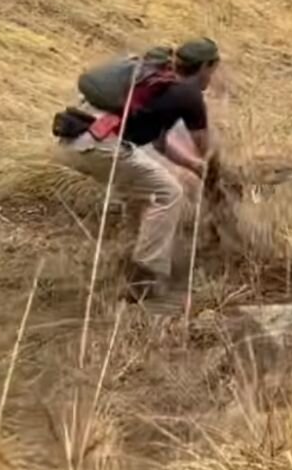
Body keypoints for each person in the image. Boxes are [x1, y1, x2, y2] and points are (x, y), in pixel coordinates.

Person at [54, 37, 221, 299]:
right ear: (206, 67)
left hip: (75, 138)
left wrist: (192, 166)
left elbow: (159, 141)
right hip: (97, 144)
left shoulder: (158, 81)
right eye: (212, 70)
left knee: (144, 194)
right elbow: (206, 149)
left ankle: (127, 258)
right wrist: (216, 178)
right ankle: (144, 280)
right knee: (168, 194)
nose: (211, 76)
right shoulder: (188, 94)